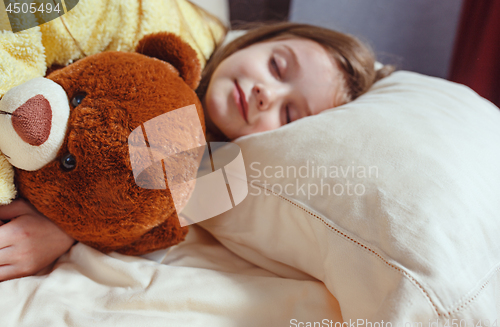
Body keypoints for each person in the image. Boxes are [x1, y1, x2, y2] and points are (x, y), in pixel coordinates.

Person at [0, 22, 394, 282]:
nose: (265, 93)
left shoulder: (218, 170)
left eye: (289, 112)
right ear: (255, 41)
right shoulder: (180, 44)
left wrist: (62, 233)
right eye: (275, 65)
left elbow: (137, 228)